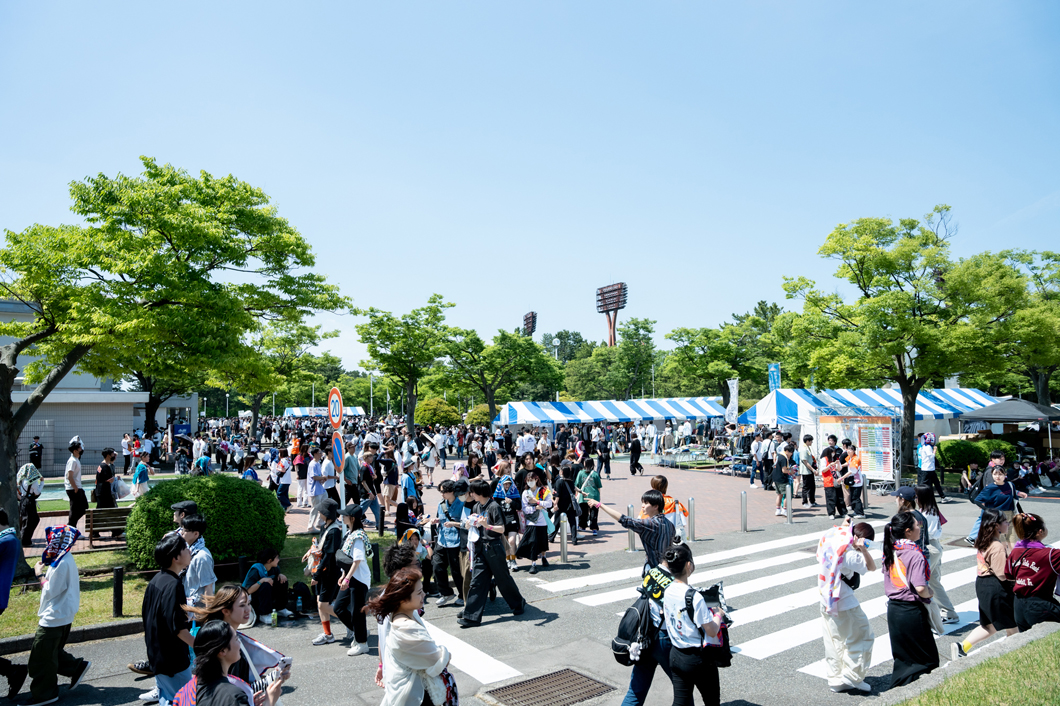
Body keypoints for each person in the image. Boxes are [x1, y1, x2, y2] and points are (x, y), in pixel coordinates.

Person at [21, 525, 90, 706]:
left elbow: (50, 590)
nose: (48, 543)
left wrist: (39, 575)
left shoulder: (61, 562)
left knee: (40, 658)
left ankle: (45, 694)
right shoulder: (63, 557)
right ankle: (76, 667)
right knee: (51, 652)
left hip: (54, 616)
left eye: (51, 539)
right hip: (62, 614)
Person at [183, 585, 291, 700]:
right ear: (226, 611)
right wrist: (272, 681)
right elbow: (235, 692)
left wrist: (274, 677)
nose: (248, 609)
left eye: (249, 603)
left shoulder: (223, 637)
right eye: (242, 605)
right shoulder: (226, 646)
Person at [367, 567, 453, 706]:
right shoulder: (406, 628)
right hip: (413, 696)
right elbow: (438, 659)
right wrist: (446, 654)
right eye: (419, 592)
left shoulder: (401, 613)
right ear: (403, 599)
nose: (424, 594)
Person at [660, 543, 725, 706]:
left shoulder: (668, 590)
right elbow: (711, 631)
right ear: (689, 565)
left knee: (680, 702)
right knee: (712, 701)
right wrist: (718, 615)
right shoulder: (694, 597)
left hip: (676, 654)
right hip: (697, 658)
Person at [458, 478, 527, 628]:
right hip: (480, 547)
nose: (471, 494)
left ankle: (518, 603)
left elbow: (501, 529)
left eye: (473, 492)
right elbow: (475, 524)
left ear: (480, 492)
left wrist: (487, 525)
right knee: (477, 582)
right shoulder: (476, 506)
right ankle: (471, 617)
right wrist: (470, 524)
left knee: (503, 579)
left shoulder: (494, 506)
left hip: (494, 548)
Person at [816, 521, 875, 693]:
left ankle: (836, 679)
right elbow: (871, 567)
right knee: (863, 635)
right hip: (844, 601)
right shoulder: (850, 555)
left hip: (826, 597)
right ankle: (853, 674)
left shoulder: (830, 541)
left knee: (834, 639)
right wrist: (864, 550)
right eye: (868, 542)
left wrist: (845, 528)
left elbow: (834, 532)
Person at [882, 512, 937, 688]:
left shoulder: (891, 549)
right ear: (908, 531)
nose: (920, 528)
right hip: (911, 610)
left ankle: (898, 692)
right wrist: (930, 593)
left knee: (904, 659)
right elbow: (920, 588)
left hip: (894, 610)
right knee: (926, 660)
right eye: (916, 525)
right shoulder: (915, 554)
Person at [953, 509, 1018, 657]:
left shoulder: (984, 541)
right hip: (997, 588)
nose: (1008, 523)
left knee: (989, 625)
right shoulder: (997, 546)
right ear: (996, 525)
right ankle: (1012, 655)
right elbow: (1002, 574)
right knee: (1013, 627)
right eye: (1005, 521)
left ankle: (961, 647)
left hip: (983, 584)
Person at [142, 533, 195, 706]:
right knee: (182, 700)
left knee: (167, 698)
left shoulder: (156, 580)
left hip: (158, 654)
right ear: (176, 558)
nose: (189, 551)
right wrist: (199, 645)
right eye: (185, 548)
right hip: (173, 659)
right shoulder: (174, 584)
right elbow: (177, 627)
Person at [181, 620, 284, 706]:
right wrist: (270, 701)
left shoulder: (188, 689)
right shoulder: (232, 696)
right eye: (236, 639)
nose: (239, 643)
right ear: (222, 651)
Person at [590, 489, 675, 572]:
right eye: (642, 502)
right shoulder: (669, 524)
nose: (642, 506)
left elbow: (624, 519)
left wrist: (600, 505)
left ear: (656, 506)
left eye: (646, 503)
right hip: (669, 567)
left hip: (655, 569)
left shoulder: (650, 524)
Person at [913, 485, 959, 631]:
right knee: (934, 582)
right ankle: (949, 612)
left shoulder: (926, 513)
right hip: (935, 547)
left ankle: (928, 615)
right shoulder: (931, 510)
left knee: (922, 582)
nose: (915, 498)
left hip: (930, 548)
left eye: (916, 495)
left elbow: (927, 534)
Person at [1007, 512, 1060, 631]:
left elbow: (1009, 574)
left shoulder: (1015, 551)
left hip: (1019, 605)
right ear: (1040, 531)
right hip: (1040, 604)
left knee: (1027, 638)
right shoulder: (1051, 554)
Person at [335, 505, 372, 656]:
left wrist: (347, 578)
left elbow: (357, 560)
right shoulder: (350, 533)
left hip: (359, 579)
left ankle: (362, 643)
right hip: (351, 577)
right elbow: (348, 559)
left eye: (344, 515)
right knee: (339, 608)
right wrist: (344, 575)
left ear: (352, 518)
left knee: (357, 612)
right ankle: (359, 633)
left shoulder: (358, 537)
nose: (342, 517)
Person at [308, 498, 343, 645]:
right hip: (323, 571)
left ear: (327, 514)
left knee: (323, 604)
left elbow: (328, 556)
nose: (319, 512)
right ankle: (328, 634)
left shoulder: (334, 531)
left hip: (330, 572)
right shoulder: (325, 527)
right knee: (320, 603)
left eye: (321, 511)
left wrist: (316, 575)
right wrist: (310, 552)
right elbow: (321, 548)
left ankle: (352, 622)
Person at [242, 549, 304, 622]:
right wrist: (261, 581)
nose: (278, 560)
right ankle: (264, 614)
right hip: (254, 598)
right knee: (265, 585)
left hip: (268, 595)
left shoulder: (275, 568)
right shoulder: (255, 570)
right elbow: (248, 591)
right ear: (269, 560)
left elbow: (276, 579)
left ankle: (280, 609)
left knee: (282, 581)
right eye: (277, 558)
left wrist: (280, 575)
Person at [433, 480, 466, 606]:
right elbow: (441, 519)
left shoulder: (462, 504)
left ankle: (463, 595)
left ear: (452, 491)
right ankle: (446, 593)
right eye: (440, 491)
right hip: (442, 540)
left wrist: (454, 523)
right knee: (437, 567)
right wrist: (436, 520)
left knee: (456, 571)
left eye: (443, 491)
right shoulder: (441, 504)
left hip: (456, 542)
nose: (441, 494)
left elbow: (466, 524)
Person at [515, 469, 552, 574]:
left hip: (542, 520)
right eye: (528, 480)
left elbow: (549, 503)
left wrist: (538, 502)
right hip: (531, 521)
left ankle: (544, 557)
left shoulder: (543, 490)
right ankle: (533, 564)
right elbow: (525, 508)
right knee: (533, 542)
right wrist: (535, 508)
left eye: (532, 480)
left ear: (536, 479)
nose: (530, 482)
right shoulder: (525, 493)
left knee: (543, 541)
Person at [181, 515, 216, 610]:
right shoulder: (190, 551)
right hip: (190, 605)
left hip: (198, 608)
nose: (182, 532)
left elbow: (208, 587)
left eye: (185, 530)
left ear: (196, 534)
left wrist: (208, 613)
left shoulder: (202, 557)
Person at [492, 476, 522, 572]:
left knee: (512, 541)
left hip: (512, 519)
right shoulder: (497, 495)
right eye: (505, 484)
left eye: (509, 483)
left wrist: (512, 502)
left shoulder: (515, 493)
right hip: (502, 521)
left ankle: (513, 560)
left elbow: (519, 506)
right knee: (505, 543)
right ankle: (508, 559)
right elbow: (494, 507)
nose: (507, 486)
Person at [64, 438, 88, 529]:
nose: (81, 449)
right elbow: (69, 476)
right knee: (75, 509)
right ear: (75, 451)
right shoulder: (72, 461)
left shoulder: (76, 459)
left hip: (77, 487)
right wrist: (75, 488)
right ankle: (71, 527)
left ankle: (71, 525)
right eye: (80, 448)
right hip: (73, 488)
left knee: (83, 507)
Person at [17, 463, 43, 548]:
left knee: (29, 520)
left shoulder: (22, 479)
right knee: (30, 521)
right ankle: (25, 541)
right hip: (29, 501)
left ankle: (25, 539)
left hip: (23, 500)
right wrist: (42, 482)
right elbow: (37, 492)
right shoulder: (33, 481)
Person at [575, 458, 602, 536]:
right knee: (594, 513)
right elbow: (598, 487)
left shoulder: (580, 473)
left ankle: (582, 526)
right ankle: (594, 529)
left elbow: (577, 485)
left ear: (584, 464)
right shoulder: (595, 474)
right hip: (594, 496)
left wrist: (577, 494)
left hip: (583, 496)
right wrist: (599, 496)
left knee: (583, 512)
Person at [820, 440, 846, 519]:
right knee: (831, 498)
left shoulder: (836, 459)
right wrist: (829, 466)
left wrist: (838, 463)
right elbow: (823, 470)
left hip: (836, 480)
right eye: (832, 452)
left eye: (834, 452)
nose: (833, 454)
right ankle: (831, 513)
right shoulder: (824, 459)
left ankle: (843, 512)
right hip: (828, 481)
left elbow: (839, 469)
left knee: (840, 497)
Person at [916, 433, 946, 501]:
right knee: (923, 483)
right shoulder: (927, 447)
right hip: (927, 468)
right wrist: (934, 451)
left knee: (936, 482)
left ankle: (942, 496)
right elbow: (931, 456)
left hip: (930, 468)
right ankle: (918, 497)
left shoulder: (925, 446)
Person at [773, 443, 796, 517]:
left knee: (779, 494)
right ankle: (784, 510)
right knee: (787, 494)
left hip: (776, 478)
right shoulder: (784, 458)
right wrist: (791, 471)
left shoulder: (779, 456)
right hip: (782, 478)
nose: (791, 454)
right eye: (791, 452)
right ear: (787, 451)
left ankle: (778, 510)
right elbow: (784, 470)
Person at [798, 434, 818, 508]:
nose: (812, 442)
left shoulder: (807, 448)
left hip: (810, 471)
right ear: (807, 441)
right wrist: (813, 469)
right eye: (811, 441)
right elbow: (805, 461)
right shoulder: (804, 449)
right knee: (806, 487)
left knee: (812, 486)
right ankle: (804, 502)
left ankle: (812, 501)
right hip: (806, 471)